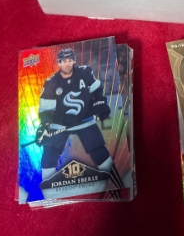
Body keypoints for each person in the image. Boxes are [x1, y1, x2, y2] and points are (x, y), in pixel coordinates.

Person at [36, 48, 124, 191]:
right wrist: (45, 126)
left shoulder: (85, 72)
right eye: (64, 61)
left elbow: (97, 91)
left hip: (84, 120)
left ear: (74, 61)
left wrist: (100, 105)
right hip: (60, 124)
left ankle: (113, 181)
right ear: (59, 63)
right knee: (50, 151)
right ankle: (47, 187)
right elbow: (46, 109)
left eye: (70, 60)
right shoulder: (51, 82)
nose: (67, 64)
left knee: (98, 149)